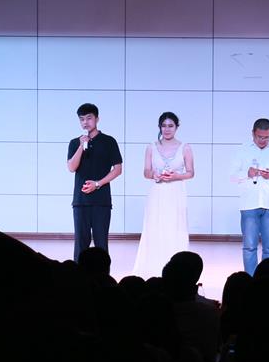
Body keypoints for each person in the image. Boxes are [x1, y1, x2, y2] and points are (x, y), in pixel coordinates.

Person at [131, 111, 194, 278]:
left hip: (176, 192)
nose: (167, 129)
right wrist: (154, 175)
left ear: (176, 127)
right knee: (155, 226)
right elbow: (146, 171)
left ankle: (176, 269)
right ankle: (154, 267)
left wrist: (176, 176)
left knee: (175, 227)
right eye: (164, 126)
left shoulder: (185, 147)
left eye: (170, 126)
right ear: (159, 127)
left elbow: (190, 173)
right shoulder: (151, 147)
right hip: (157, 192)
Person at [229, 117, 269, 276]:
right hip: (249, 204)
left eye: (267, 137)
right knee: (249, 246)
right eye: (260, 137)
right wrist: (246, 173)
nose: (263, 140)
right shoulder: (242, 150)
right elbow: (232, 176)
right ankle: (250, 280)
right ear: (253, 133)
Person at [67, 102, 123, 263]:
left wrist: (97, 184)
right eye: (82, 119)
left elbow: (118, 169)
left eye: (89, 118)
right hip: (80, 202)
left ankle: (103, 275)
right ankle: (78, 276)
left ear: (97, 119)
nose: (85, 122)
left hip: (101, 201)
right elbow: (71, 167)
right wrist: (81, 146)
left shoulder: (109, 141)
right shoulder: (74, 142)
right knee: (80, 245)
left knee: (101, 244)